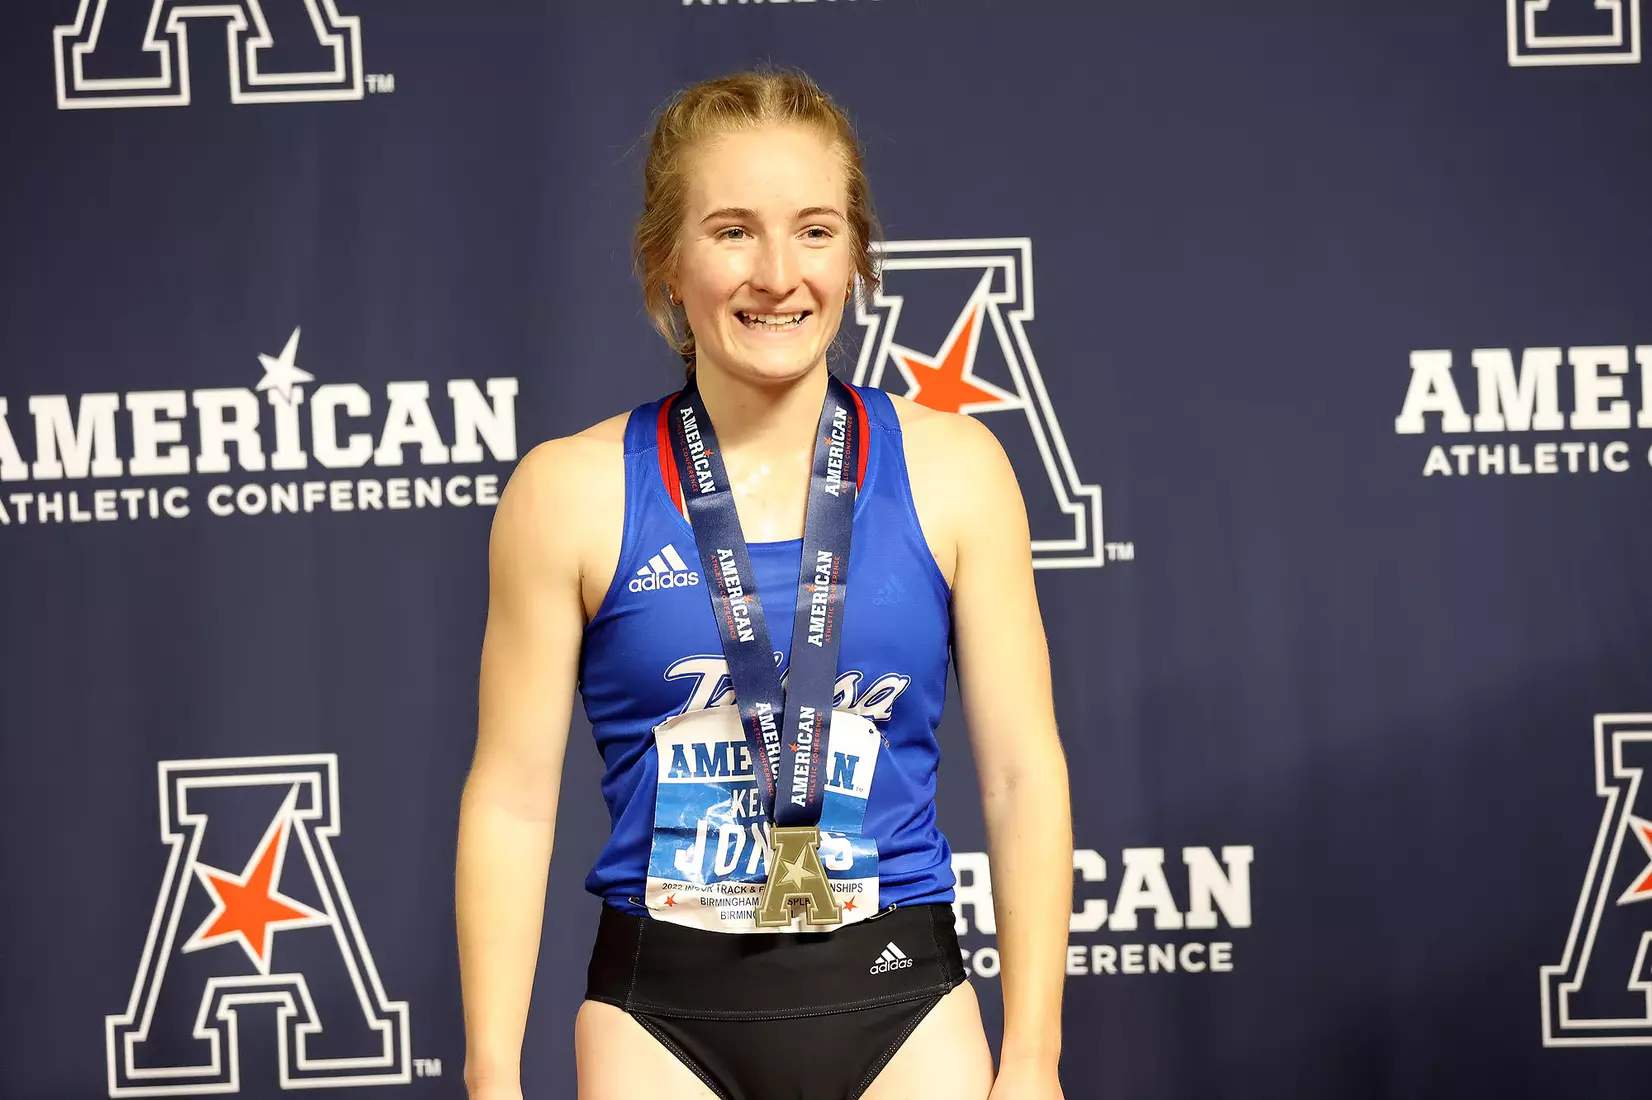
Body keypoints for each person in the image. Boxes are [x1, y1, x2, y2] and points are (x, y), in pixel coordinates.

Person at [456, 67, 1072, 1100]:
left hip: (903, 1006)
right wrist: (490, 1079)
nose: (778, 275)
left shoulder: (957, 468)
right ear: (665, 261)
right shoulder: (566, 492)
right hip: (661, 1021)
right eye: (733, 231)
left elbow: (1020, 773)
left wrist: (1034, 1058)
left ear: (857, 255)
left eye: (815, 231)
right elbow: (513, 799)